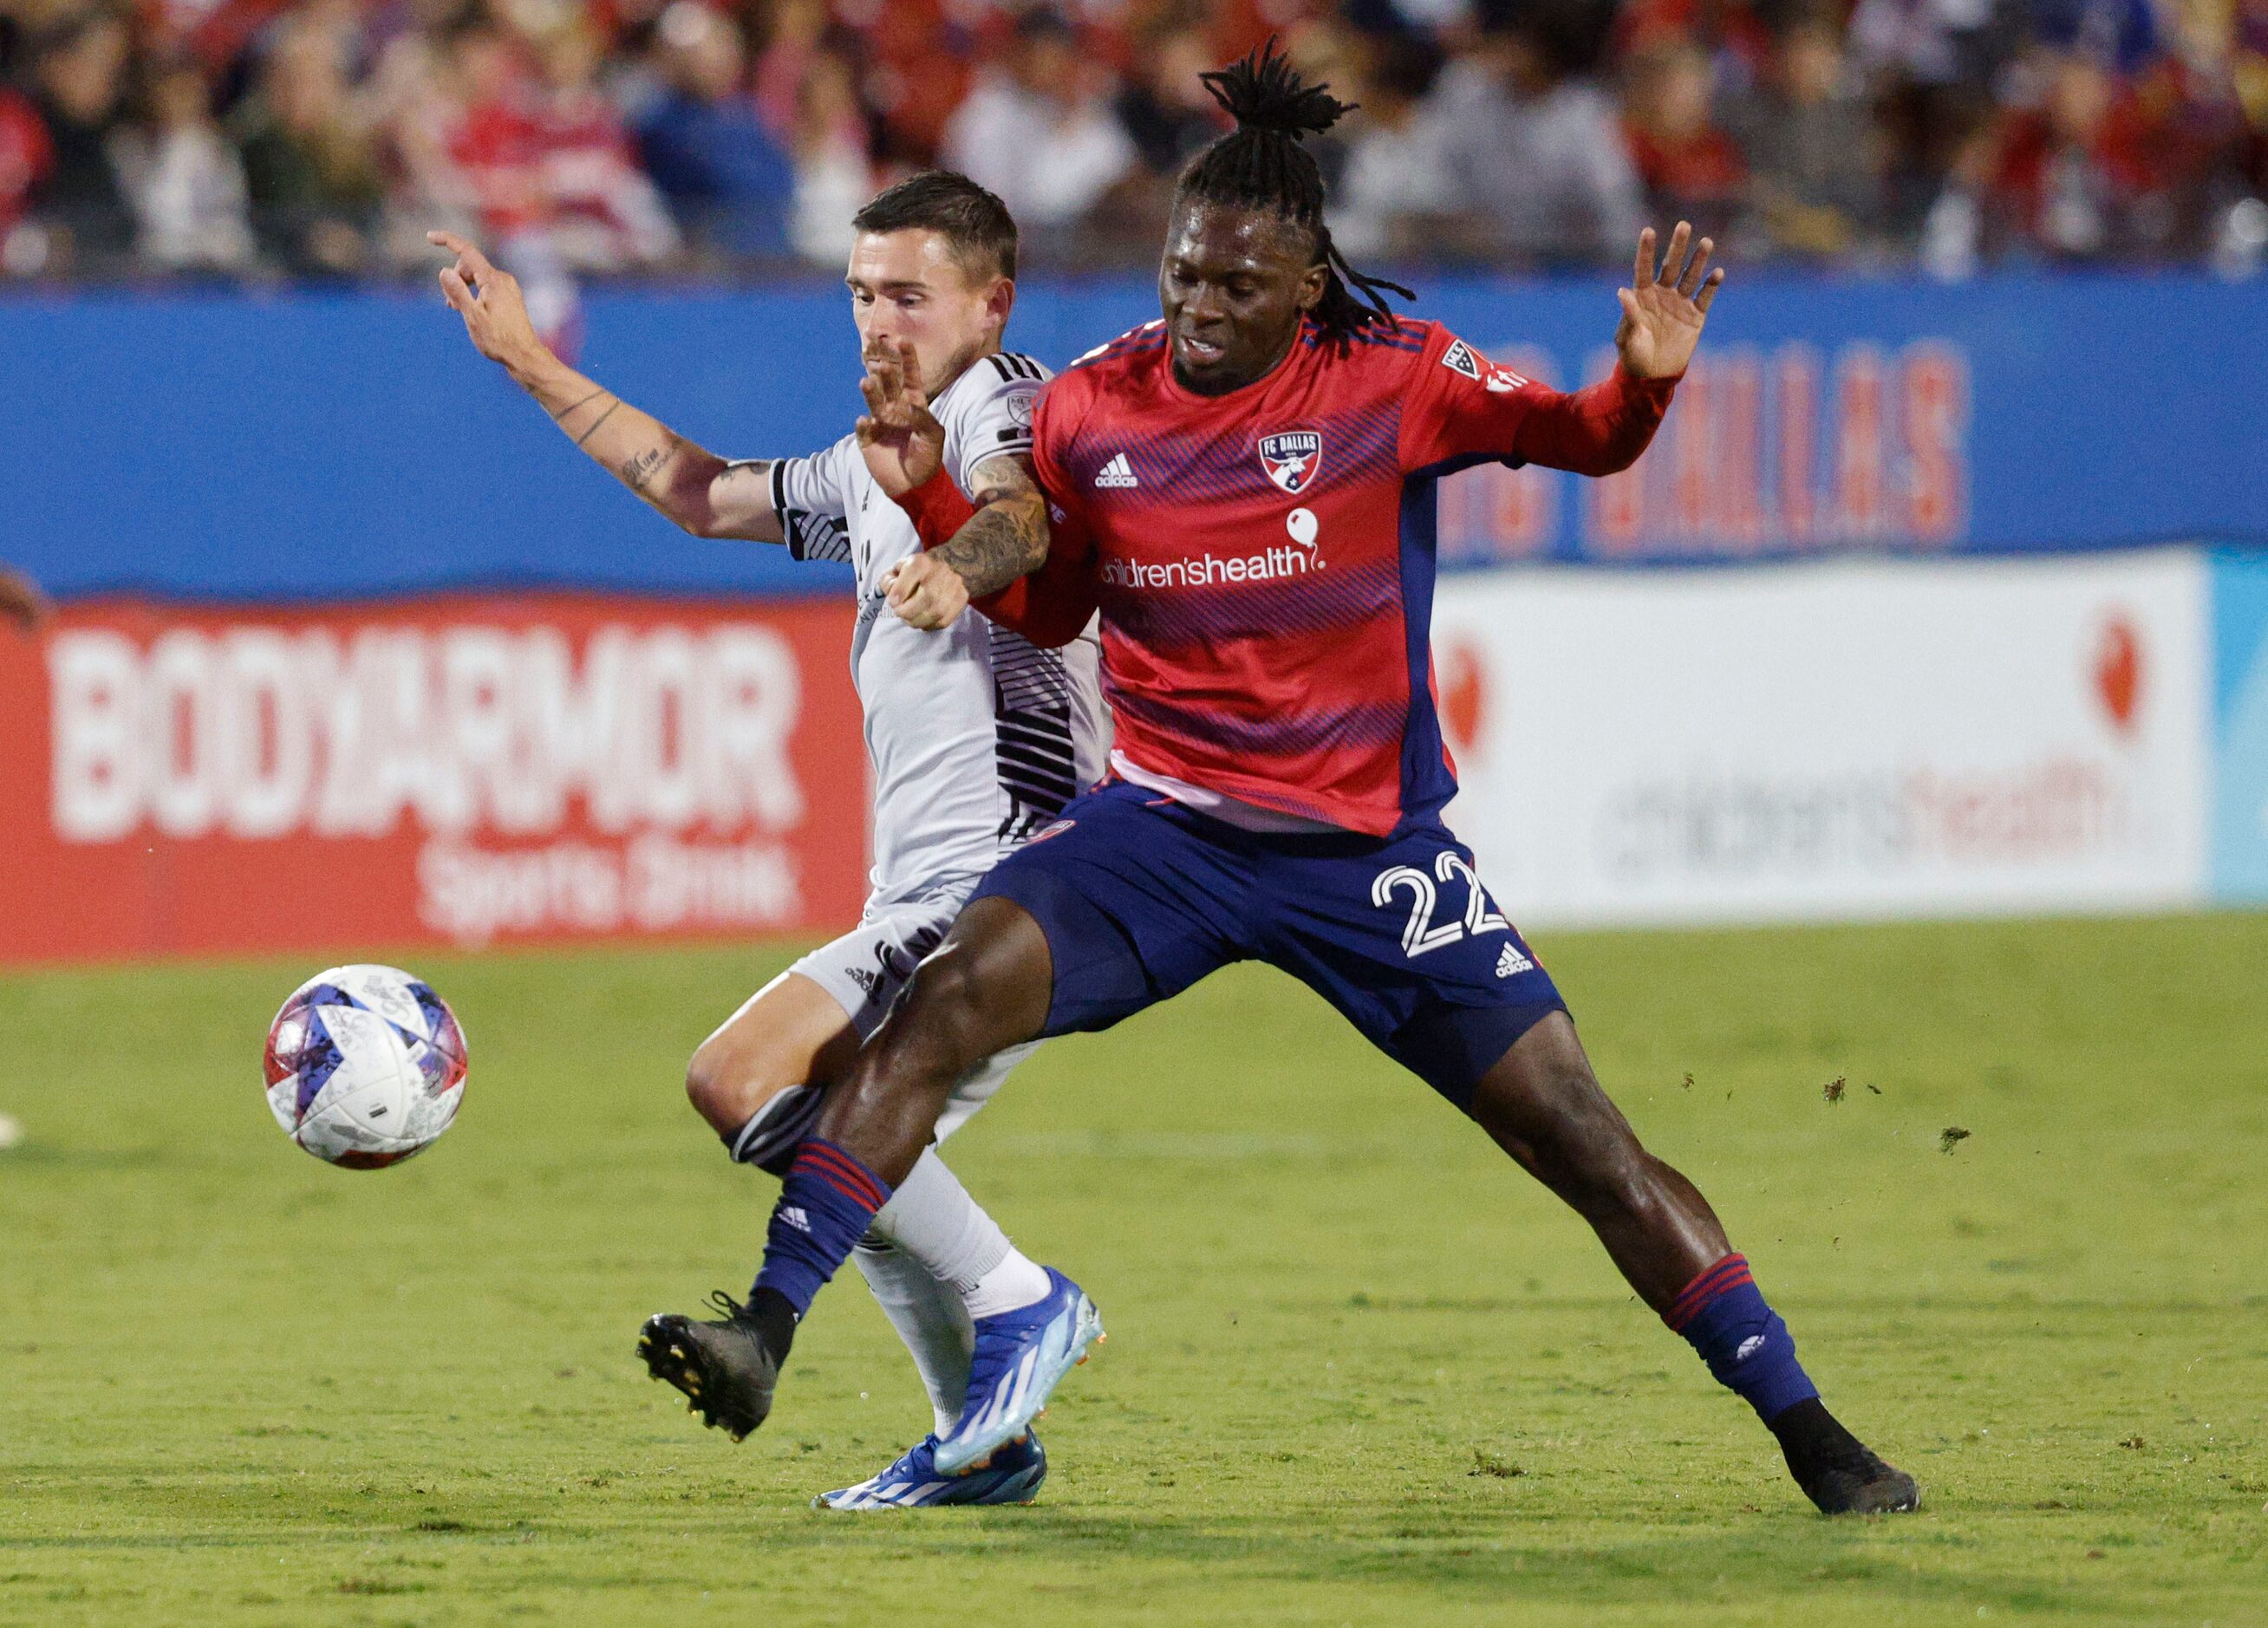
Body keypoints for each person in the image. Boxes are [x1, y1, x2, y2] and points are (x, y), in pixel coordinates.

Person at [717, 42, 1921, 1516]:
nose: (1199, 308)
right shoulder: (1097, 408)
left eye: (1236, 284)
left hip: (1366, 851)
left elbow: (1579, 439)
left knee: (1586, 1143)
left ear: (1306, 282)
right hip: (1162, 830)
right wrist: (925, 497)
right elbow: (1055, 609)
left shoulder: (1395, 379)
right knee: (941, 994)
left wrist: (1645, 384)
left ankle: (1812, 1431)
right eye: (1181, 274)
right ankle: (763, 1327)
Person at [427, 169, 1110, 1510]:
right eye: (861, 294)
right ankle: (984, 1438)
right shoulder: (870, 461)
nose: (879, 324)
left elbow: (1018, 510)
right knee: (850, 1133)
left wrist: (954, 564)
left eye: (911, 295)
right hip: (935, 882)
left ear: (992, 302)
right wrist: (524, 359)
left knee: (740, 1075)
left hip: (1005, 878)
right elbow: (698, 491)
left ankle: (1022, 1302)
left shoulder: (1007, 400)